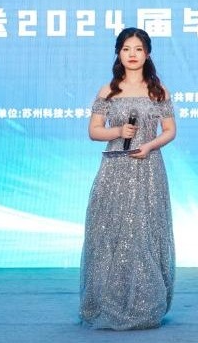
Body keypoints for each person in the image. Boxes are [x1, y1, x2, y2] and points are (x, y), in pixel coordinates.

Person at [79, 27, 177, 330]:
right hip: (115, 168)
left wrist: (148, 145)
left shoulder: (159, 91)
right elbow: (94, 131)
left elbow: (170, 131)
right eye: (126, 49)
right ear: (118, 54)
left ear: (147, 54)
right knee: (111, 232)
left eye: (138, 49)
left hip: (148, 169)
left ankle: (145, 303)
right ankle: (108, 301)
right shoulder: (108, 91)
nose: (132, 55)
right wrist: (118, 131)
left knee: (144, 232)